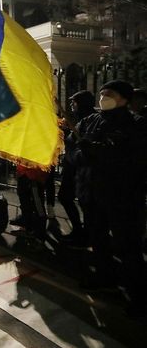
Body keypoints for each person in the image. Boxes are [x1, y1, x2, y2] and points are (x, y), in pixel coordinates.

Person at [74, 80, 146, 317]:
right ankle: (105, 278)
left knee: (128, 246)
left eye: (109, 94)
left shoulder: (136, 125)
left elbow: (134, 161)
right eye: (102, 93)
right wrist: (82, 153)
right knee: (98, 239)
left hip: (122, 197)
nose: (103, 97)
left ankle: (137, 294)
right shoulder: (90, 121)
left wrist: (100, 152)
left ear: (124, 99)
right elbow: (72, 153)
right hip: (92, 194)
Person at [57, 90, 95, 246]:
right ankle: (81, 231)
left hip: (80, 170)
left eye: (74, 102)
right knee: (66, 197)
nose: (72, 105)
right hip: (72, 166)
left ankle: (85, 234)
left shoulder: (91, 120)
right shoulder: (80, 119)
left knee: (84, 202)